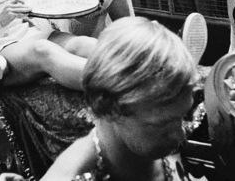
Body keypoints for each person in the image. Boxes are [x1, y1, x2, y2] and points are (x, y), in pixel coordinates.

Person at [41, 16, 198, 181]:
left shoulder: (150, 140)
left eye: (183, 116)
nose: (180, 136)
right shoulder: (68, 176)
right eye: (163, 124)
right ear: (109, 107)